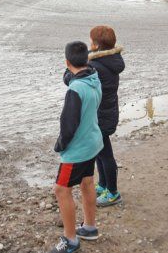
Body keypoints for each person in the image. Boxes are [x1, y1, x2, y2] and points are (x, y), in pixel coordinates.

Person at [64, 26, 125, 208]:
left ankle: (113, 192)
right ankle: (104, 185)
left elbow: (70, 79)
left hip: (100, 116)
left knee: (105, 154)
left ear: (96, 44)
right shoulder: (111, 60)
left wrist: (72, 67)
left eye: (91, 40)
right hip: (107, 112)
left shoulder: (96, 66)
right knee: (99, 151)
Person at [51, 41, 103, 253]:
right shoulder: (94, 78)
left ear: (67, 62)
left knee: (61, 190)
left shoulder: (76, 90)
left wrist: (60, 145)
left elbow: (68, 125)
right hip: (92, 141)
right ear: (87, 60)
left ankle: (70, 239)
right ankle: (89, 227)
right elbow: (75, 77)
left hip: (77, 149)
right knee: (87, 182)